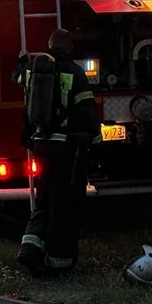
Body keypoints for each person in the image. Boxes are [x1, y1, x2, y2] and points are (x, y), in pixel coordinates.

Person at [13, 29, 100, 276]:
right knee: (64, 206)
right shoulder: (75, 73)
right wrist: (92, 137)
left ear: (49, 45)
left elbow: (16, 76)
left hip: (39, 146)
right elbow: (86, 110)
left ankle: (29, 249)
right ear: (70, 48)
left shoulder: (33, 68)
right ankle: (58, 265)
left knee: (42, 201)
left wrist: (22, 61)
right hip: (66, 151)